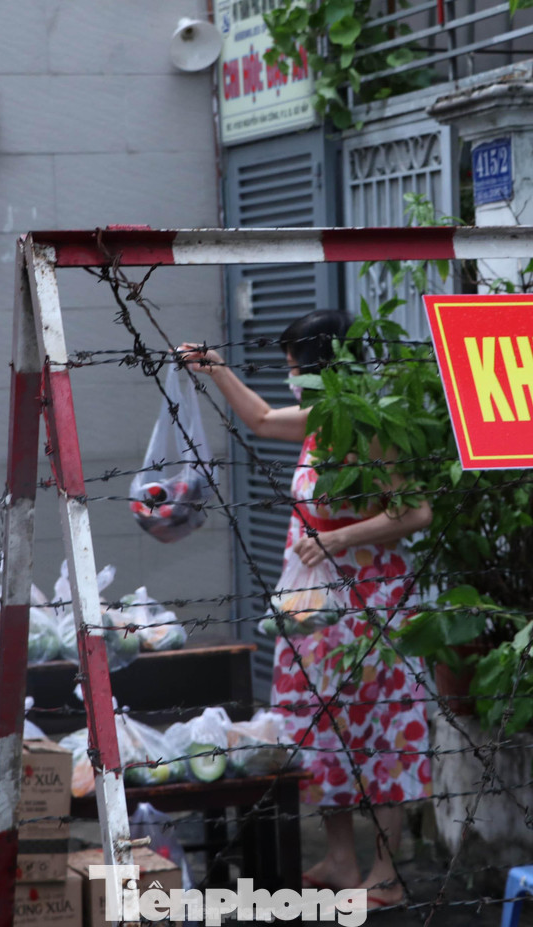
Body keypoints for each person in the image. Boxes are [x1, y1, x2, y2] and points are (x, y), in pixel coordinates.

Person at [178, 310, 433, 908]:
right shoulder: (326, 419)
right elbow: (263, 419)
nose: (291, 381)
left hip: (370, 604)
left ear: (327, 368)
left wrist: (341, 539)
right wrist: (215, 368)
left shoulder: (372, 424)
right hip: (315, 605)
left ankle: (387, 873)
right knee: (322, 729)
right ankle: (342, 860)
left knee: (378, 729)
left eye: (297, 369)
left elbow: (416, 510)